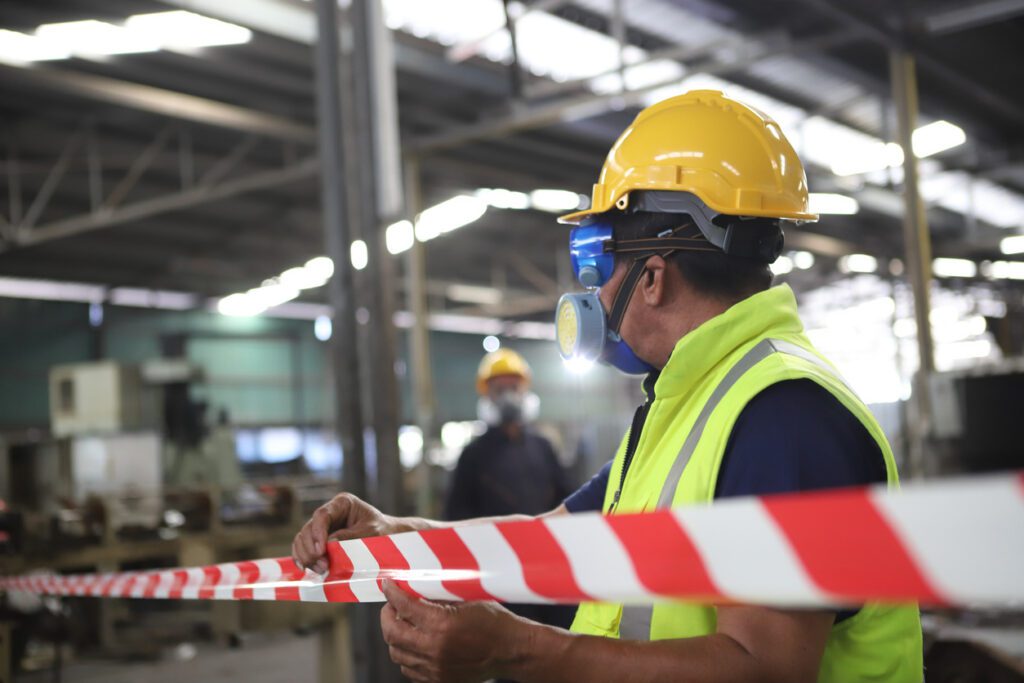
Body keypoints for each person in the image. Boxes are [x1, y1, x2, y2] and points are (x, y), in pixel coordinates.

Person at [292, 90, 922, 682]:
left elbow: (762, 668)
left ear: (652, 278)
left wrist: (514, 648)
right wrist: (401, 534)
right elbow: (552, 536)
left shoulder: (784, 414)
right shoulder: (689, 402)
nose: (591, 291)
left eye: (594, 262)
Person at [444, 349, 576, 645]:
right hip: (500, 581)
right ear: (487, 395)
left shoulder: (543, 448)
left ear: (525, 390)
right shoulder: (472, 456)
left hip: (551, 574)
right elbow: (455, 518)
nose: (507, 395)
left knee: (559, 650)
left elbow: (571, 500)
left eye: (513, 387)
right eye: (499, 389)